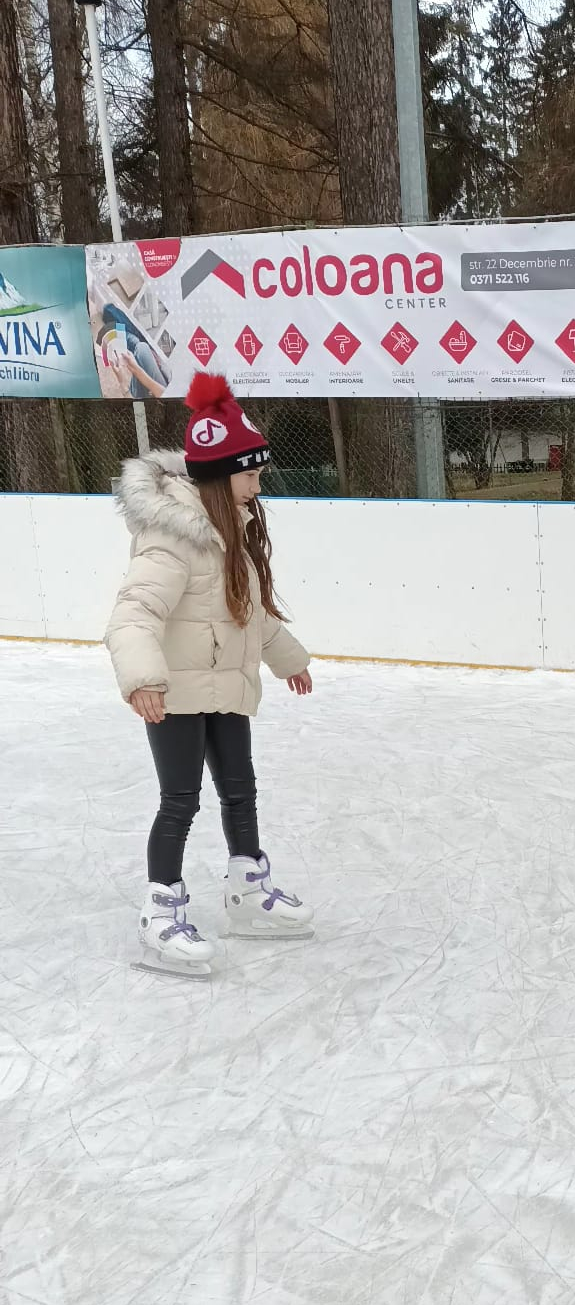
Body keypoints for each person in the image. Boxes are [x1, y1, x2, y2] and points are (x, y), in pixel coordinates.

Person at [105, 372, 315, 975]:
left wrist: (290, 660)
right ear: (223, 476)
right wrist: (144, 678)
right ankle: (160, 912)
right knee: (180, 802)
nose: (259, 480)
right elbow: (134, 612)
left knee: (240, 792)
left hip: (226, 688)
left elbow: (249, 616)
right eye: (251, 472)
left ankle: (247, 893)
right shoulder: (174, 539)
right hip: (174, 693)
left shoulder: (231, 533)